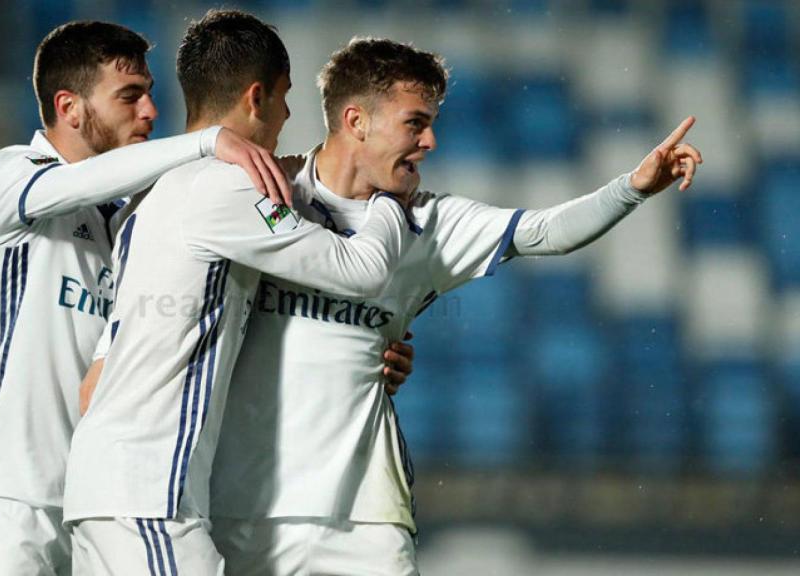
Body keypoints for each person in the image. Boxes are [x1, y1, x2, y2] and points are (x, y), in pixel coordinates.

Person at [207, 38, 703, 575]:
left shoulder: (432, 223)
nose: (430, 141)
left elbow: (546, 232)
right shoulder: (258, 194)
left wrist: (633, 187)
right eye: (415, 124)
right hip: (245, 506)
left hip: (365, 518)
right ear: (356, 121)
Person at [62, 10, 420, 575]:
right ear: (256, 98)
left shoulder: (147, 198)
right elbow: (362, 270)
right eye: (284, 96)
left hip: (104, 492)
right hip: (149, 498)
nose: (289, 114)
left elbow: (96, 384)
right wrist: (389, 203)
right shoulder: (224, 187)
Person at [0, 20, 290, 576]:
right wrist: (205, 142)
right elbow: (78, 184)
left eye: (150, 92)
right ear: (69, 108)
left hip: (93, 503)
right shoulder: (9, 175)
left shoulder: (132, 221)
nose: (150, 110)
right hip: (7, 492)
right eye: (129, 96)